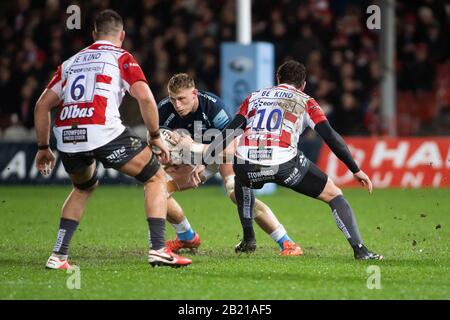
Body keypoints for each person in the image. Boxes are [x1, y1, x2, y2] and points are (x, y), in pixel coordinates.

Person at [34, 9, 191, 269]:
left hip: (68, 134)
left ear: (94, 34)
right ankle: (158, 249)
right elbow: (145, 97)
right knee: (155, 177)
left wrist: (43, 147)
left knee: (83, 188)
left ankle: (58, 256)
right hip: (102, 130)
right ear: (122, 35)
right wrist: (154, 136)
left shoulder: (70, 62)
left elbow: (42, 105)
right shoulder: (122, 57)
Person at [199, 60, 383, 260]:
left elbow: (230, 131)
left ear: (278, 79)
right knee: (335, 195)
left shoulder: (254, 97)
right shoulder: (305, 101)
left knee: (241, 179)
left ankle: (248, 239)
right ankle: (360, 250)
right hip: (283, 164)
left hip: (247, 164)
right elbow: (330, 136)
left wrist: (204, 160)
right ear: (303, 84)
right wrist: (355, 169)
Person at [156, 73, 303, 256]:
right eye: (173, 99)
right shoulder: (164, 109)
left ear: (194, 93)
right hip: (192, 157)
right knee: (157, 188)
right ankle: (186, 235)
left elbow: (230, 150)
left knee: (237, 194)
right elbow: (156, 140)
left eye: (181, 99)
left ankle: (286, 242)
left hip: (223, 153)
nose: (177, 105)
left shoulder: (214, 107)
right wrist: (165, 156)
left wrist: (202, 156)